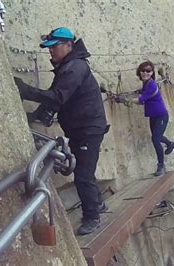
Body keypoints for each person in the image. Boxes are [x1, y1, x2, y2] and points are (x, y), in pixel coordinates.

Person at [14, 27, 108, 235]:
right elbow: (57, 99)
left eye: (54, 46)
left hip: (87, 129)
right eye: (49, 47)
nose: (51, 51)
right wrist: (35, 116)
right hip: (82, 129)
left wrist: (25, 91)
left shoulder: (74, 67)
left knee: (83, 175)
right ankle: (98, 204)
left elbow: (57, 97)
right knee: (85, 171)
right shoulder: (68, 66)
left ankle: (92, 217)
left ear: (69, 45)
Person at [132, 61, 174, 176]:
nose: (145, 73)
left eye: (148, 71)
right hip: (154, 116)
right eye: (143, 70)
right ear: (139, 72)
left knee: (155, 139)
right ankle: (170, 144)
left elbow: (141, 100)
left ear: (152, 73)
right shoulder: (146, 84)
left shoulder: (152, 85)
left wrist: (125, 100)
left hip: (161, 116)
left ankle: (161, 166)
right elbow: (143, 96)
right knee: (157, 136)